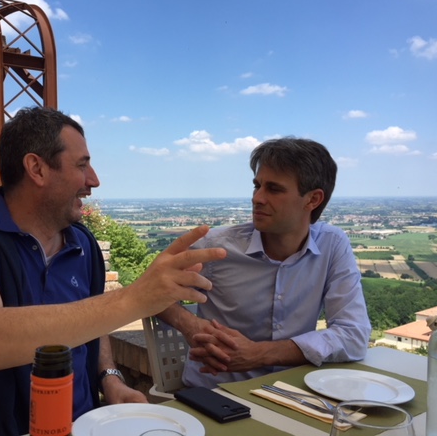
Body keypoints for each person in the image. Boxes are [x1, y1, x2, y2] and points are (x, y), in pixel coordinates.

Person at [0, 107, 226, 435]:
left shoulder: (82, 244)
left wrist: (110, 378)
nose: (94, 180)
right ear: (37, 168)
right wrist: (136, 298)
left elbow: (88, 321)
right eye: (82, 165)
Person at [158, 137, 371, 389]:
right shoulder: (216, 247)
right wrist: (190, 325)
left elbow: (354, 334)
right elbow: (152, 291)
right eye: (257, 186)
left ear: (312, 200)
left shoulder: (332, 245)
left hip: (292, 394)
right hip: (215, 394)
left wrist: (259, 354)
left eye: (274, 189)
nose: (257, 198)